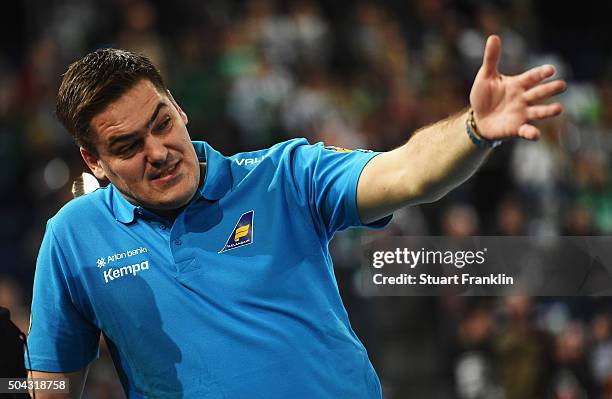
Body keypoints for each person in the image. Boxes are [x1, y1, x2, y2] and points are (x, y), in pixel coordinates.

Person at [26, 35, 565, 398]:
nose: (159, 149)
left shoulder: (285, 175)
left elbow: (406, 173)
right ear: (93, 161)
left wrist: (472, 128)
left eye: (162, 123)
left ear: (179, 107)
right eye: (127, 146)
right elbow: (50, 385)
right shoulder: (74, 239)